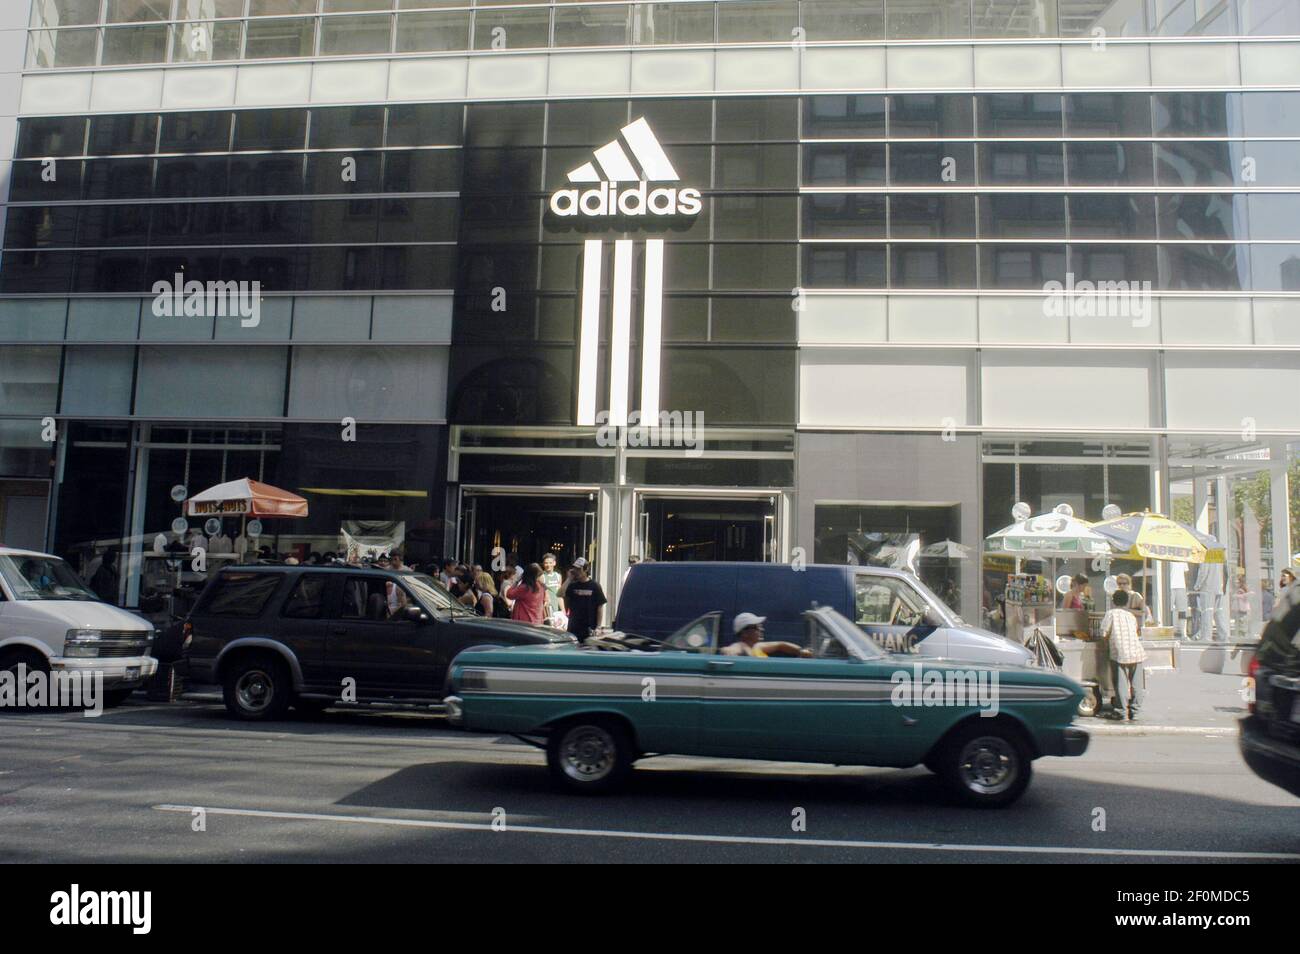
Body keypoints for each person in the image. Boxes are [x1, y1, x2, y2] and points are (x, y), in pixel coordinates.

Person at [1101, 589, 1146, 721]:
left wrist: (1106, 643)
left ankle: (1121, 711)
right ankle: (1135, 711)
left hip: (1120, 652)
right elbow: (1135, 631)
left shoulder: (1110, 614)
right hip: (1137, 651)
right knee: (1137, 684)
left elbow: (1103, 633)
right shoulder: (1130, 616)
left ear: (1113, 601)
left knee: (1121, 683)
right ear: (1126, 602)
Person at [721, 613, 810, 658]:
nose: (761, 629)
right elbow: (732, 648)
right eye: (757, 627)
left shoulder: (758, 646)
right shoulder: (742, 646)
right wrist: (728, 650)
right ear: (744, 633)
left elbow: (780, 645)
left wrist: (801, 651)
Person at [563, 557, 607, 642]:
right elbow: (560, 594)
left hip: (589, 627)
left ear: (586, 569)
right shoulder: (572, 586)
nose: (577, 571)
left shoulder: (595, 586)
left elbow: (600, 606)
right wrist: (569, 579)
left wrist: (598, 626)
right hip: (574, 626)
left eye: (579, 569)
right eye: (575, 569)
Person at [539, 552, 563, 617]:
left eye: (550, 563)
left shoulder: (558, 576)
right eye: (546, 563)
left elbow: (559, 595)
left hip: (555, 609)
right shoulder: (541, 576)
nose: (548, 565)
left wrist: (563, 611)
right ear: (543, 564)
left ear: (554, 563)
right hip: (545, 609)